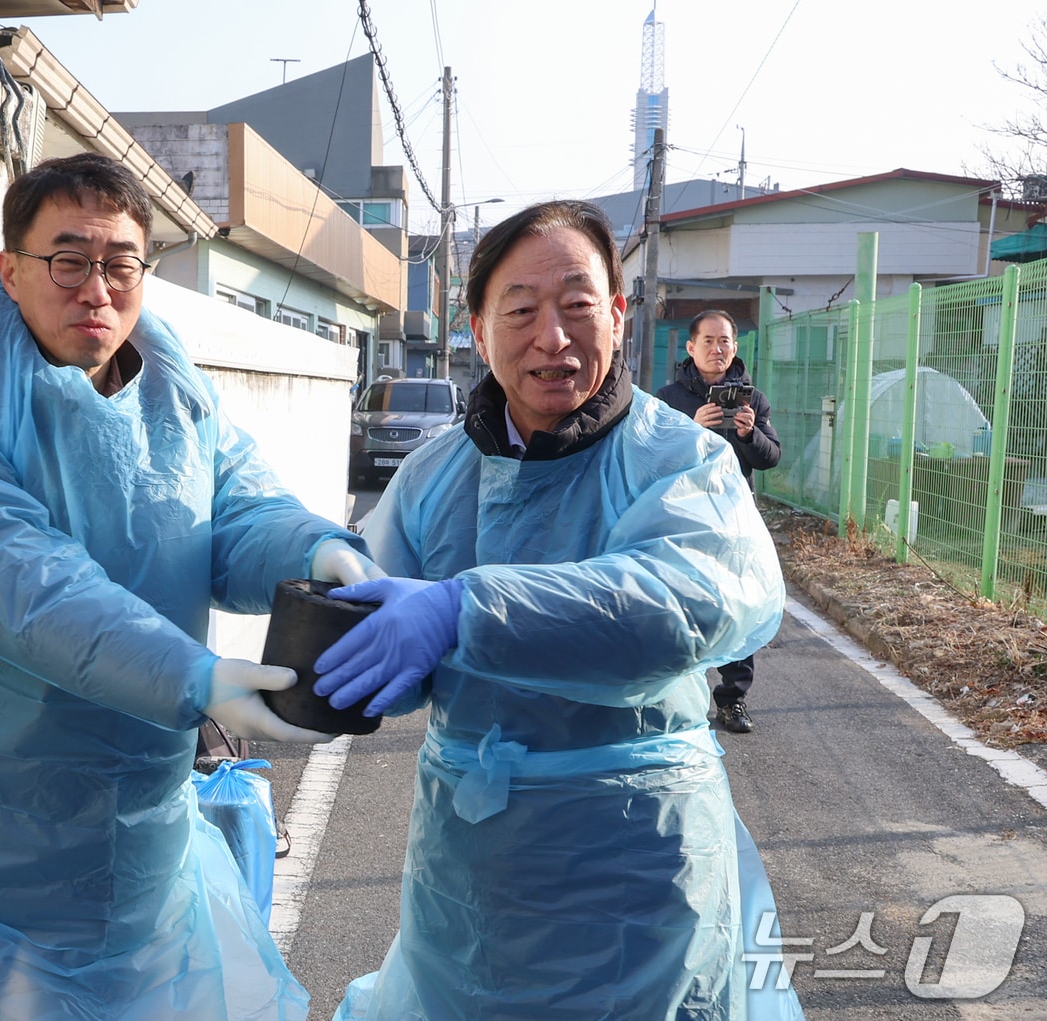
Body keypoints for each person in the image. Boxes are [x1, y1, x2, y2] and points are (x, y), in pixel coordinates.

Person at [0, 153, 381, 1020]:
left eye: (121, 264)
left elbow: (230, 508)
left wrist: (317, 549)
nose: (97, 289)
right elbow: (21, 582)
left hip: (134, 819)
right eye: (68, 260)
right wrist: (191, 676)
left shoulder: (170, 382)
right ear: (10, 270)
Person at [315, 201, 804, 1019]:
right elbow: (371, 623)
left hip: (641, 870)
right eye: (521, 311)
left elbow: (680, 603)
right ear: (479, 330)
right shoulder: (434, 475)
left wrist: (466, 609)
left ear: (617, 314)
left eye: (577, 305)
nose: (553, 337)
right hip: (471, 876)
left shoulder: (681, 458)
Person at [656, 309, 782, 734]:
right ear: (691, 348)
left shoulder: (753, 400)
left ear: (735, 347)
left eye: (724, 340)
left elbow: (770, 458)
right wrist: (691, 429)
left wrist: (749, 434)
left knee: (737, 606)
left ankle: (732, 700)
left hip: (734, 519)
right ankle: (675, 698)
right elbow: (654, 457)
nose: (717, 348)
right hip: (684, 516)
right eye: (708, 341)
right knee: (681, 605)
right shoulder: (668, 399)